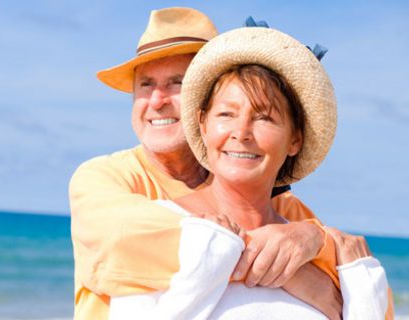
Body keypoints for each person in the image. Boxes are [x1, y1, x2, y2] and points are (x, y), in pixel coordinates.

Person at [69, 7, 393, 319]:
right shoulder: (105, 178)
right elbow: (121, 241)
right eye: (146, 84)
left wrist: (311, 239)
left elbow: (344, 269)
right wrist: (291, 271)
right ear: (205, 118)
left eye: (177, 83)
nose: (157, 101)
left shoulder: (283, 205)